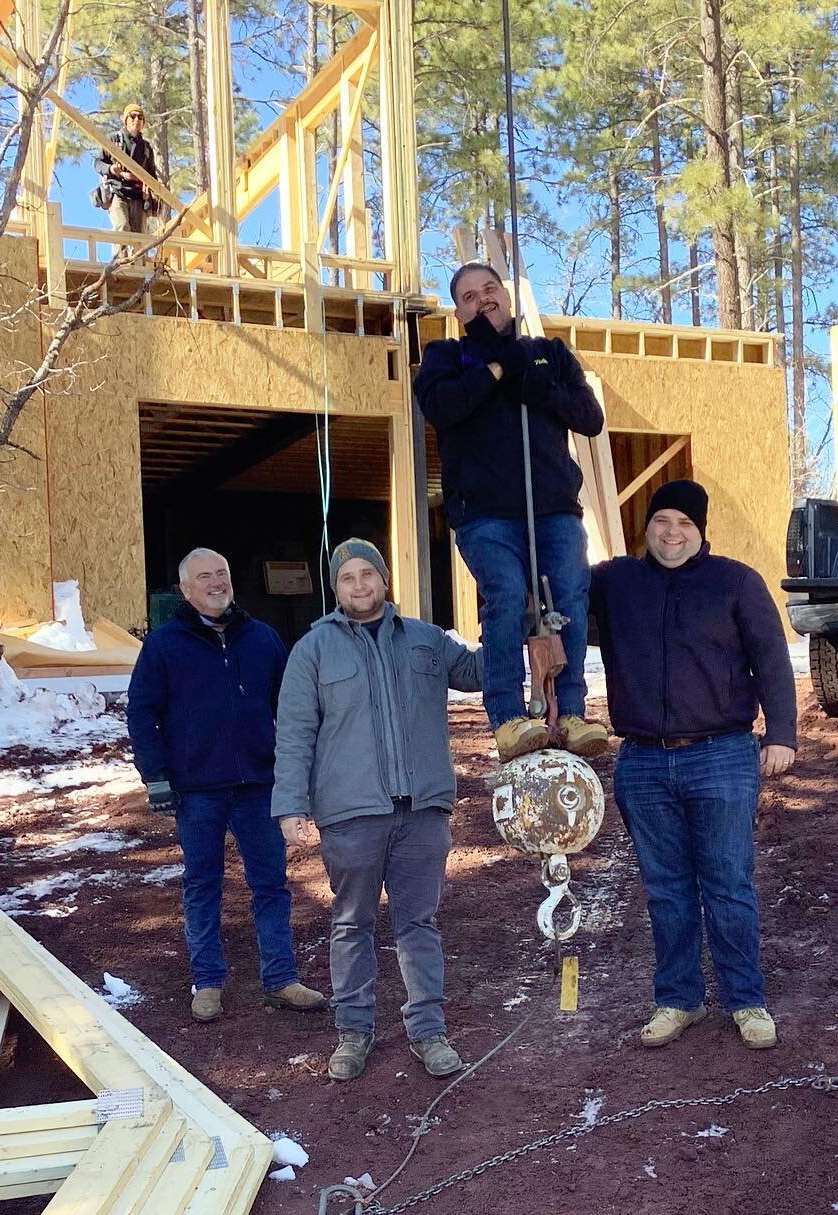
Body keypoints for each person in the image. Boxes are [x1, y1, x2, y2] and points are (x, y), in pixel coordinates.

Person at [590, 480, 798, 1051]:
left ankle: (746, 999)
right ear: (647, 527)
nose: (671, 532)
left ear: (700, 530)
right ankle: (678, 999)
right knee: (666, 889)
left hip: (722, 755)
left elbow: (772, 659)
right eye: (661, 522)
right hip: (643, 761)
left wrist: (781, 734)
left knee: (728, 883)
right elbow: (553, 594)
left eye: (683, 522)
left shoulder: (734, 583)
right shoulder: (615, 584)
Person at [272, 539, 485, 1082]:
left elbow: (482, 672)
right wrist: (291, 805)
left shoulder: (426, 640)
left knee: (419, 922)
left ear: (385, 581)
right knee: (352, 923)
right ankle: (353, 1031)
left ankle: (429, 1031)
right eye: (349, 578)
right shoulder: (313, 651)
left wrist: (517, 620)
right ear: (336, 587)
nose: (360, 585)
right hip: (350, 814)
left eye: (369, 574)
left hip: (422, 811)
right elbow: (295, 733)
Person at [414, 262, 610, 764]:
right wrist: (496, 369)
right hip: (485, 514)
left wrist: (535, 382)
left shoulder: (548, 355)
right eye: (470, 296)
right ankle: (507, 719)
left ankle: (569, 712)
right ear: (458, 312)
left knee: (568, 596)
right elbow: (443, 408)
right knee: (504, 598)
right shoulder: (444, 357)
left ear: (507, 293)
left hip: (553, 508)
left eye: (490, 289)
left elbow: (590, 419)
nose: (484, 300)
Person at [126, 547, 324, 1023]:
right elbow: (141, 711)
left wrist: (300, 774)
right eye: (204, 577)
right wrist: (155, 776)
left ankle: (281, 979)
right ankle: (208, 981)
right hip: (196, 789)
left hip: (259, 784)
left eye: (223, 574)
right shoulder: (165, 645)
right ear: (186, 589)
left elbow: (293, 711)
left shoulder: (262, 639)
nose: (216, 583)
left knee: (271, 884)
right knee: (203, 884)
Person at [95, 103, 160, 234]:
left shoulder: (146, 148)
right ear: (126, 120)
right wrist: (111, 169)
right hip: (118, 192)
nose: (137, 120)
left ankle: (138, 256)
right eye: (133, 116)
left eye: (140, 117)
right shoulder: (113, 141)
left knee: (140, 238)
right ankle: (121, 255)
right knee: (122, 229)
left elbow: (152, 176)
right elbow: (98, 163)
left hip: (138, 196)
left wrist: (149, 190)